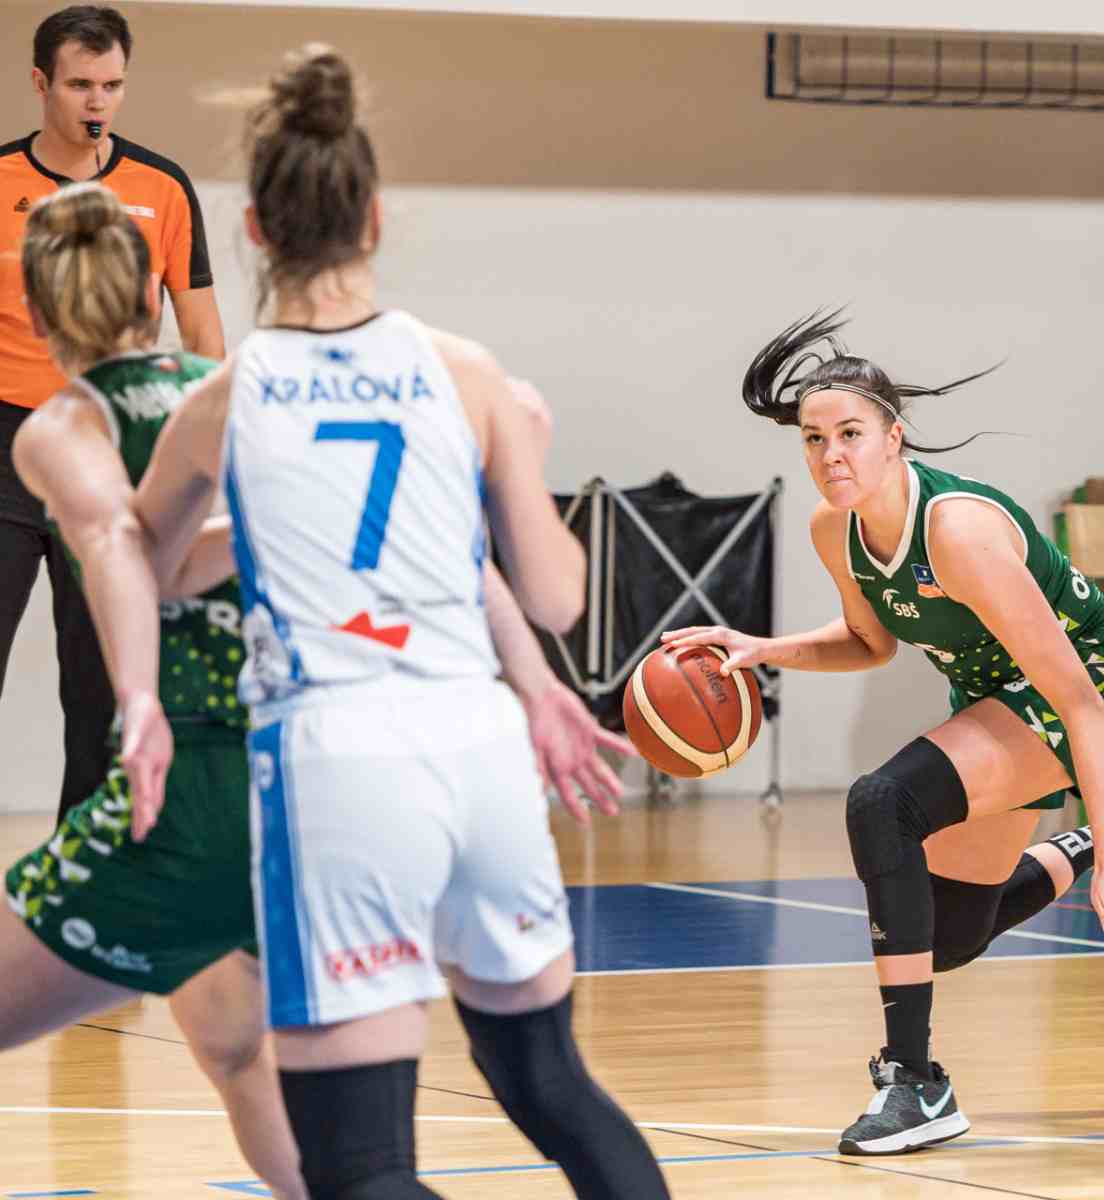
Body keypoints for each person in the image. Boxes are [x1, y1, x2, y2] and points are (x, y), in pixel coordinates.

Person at [0, 182, 634, 1199]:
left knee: (332, 1126)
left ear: (33, 311)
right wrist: (535, 681)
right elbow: (457, 554)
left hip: (200, 787)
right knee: (236, 1048)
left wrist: (138, 698)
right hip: (312, 786)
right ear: (156, 295)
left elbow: (117, 541)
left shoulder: (75, 423)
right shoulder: (243, 380)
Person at [128, 45, 667, 1200]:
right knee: (554, 1088)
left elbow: (149, 571)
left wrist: (241, 526)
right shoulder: (464, 371)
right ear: (374, 219)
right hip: (478, 746)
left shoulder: (223, 397)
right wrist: (519, 469)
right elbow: (560, 598)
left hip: (338, 761)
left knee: (360, 1166)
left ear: (255, 232)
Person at [662, 311, 1104, 1156]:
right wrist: (760, 647)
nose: (831, 455)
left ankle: (916, 1082)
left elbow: (1080, 704)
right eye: (814, 439)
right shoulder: (835, 529)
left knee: (883, 802)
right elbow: (868, 643)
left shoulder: (958, 533)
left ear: (893, 438)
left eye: (851, 434)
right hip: (993, 693)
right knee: (945, 939)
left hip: (1081, 682)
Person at [0, 5, 226, 819]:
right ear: (41, 83)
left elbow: (202, 334)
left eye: (112, 85)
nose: (96, 102)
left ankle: (89, 861)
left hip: (112, 442)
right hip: (7, 440)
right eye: (79, 85)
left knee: (102, 682)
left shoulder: (162, 187)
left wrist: (199, 452)